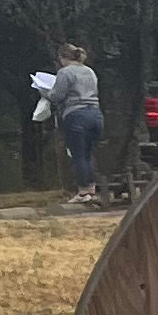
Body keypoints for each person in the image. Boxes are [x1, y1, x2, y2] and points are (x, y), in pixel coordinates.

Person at [51, 44, 103, 204]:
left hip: (76, 115)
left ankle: (82, 192)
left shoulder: (65, 72)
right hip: (95, 114)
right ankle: (92, 188)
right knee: (88, 153)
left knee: (78, 154)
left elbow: (57, 96)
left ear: (62, 57)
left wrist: (45, 92)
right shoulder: (89, 71)